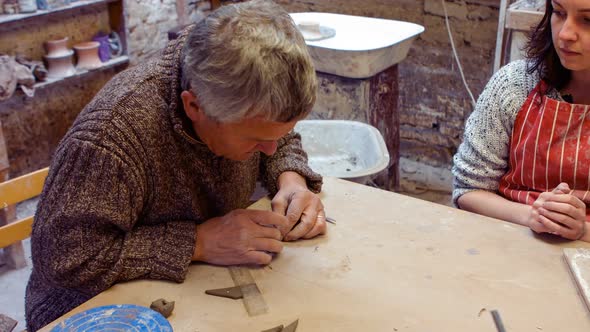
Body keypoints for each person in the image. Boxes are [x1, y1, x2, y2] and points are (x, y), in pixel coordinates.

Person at [25, 1, 327, 330]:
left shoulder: (239, 95)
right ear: (194, 106)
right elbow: (66, 260)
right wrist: (196, 242)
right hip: (92, 311)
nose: (269, 148)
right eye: (255, 140)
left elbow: (276, 136)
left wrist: (291, 177)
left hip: (195, 280)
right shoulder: (109, 139)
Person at [453, 0, 590, 242]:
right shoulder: (514, 85)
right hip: (509, 236)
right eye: (558, 13)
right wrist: (533, 216)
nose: (566, 33)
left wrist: (582, 230)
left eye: (588, 20)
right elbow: (468, 189)